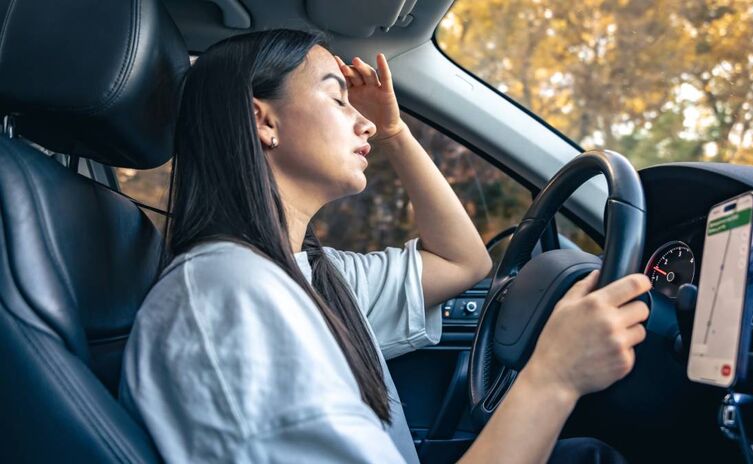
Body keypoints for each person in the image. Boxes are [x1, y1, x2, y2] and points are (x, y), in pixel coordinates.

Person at [119, 29, 651, 463]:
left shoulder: (309, 275)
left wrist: (396, 133)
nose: (364, 120)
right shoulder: (231, 296)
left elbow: (462, 261)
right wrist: (554, 377)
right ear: (263, 119)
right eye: (336, 96)